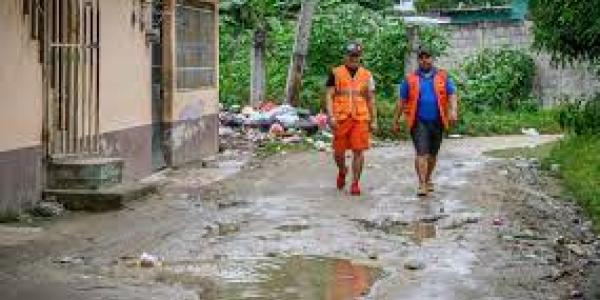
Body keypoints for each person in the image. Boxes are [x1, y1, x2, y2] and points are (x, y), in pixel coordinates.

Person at [392, 47, 458, 197]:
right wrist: (395, 121)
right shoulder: (410, 79)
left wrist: (453, 111)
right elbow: (401, 101)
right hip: (418, 121)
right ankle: (422, 183)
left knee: (432, 155)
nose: (424, 60)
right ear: (418, 60)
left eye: (427, 57)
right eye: (421, 57)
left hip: (438, 120)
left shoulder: (442, 76)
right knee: (421, 153)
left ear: (432, 58)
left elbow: (452, 94)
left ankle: (428, 178)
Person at [326, 42, 377, 196]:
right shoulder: (335, 73)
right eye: (351, 55)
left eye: (357, 55)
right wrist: (330, 116)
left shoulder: (367, 75)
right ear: (345, 56)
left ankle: (355, 182)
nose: (354, 58)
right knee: (338, 152)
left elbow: (371, 99)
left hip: (360, 118)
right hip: (340, 117)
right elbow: (329, 95)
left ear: (360, 57)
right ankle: (342, 170)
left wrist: (374, 120)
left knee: (359, 151)